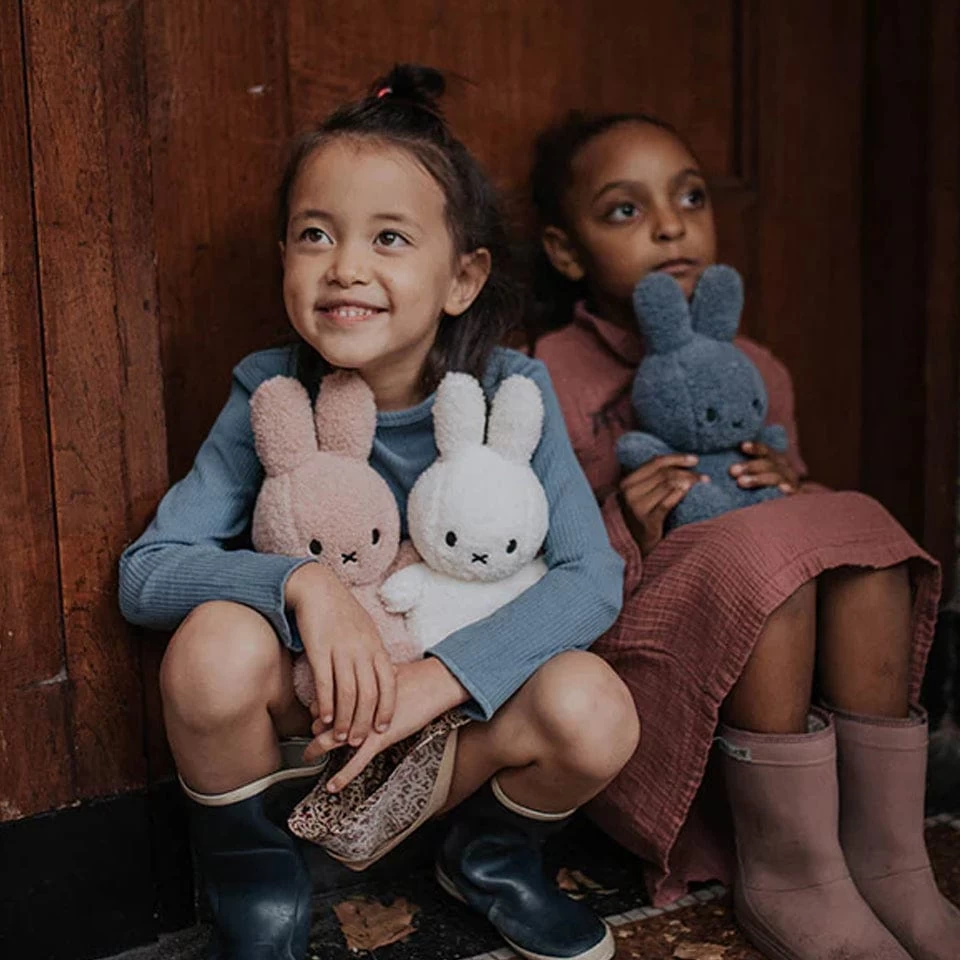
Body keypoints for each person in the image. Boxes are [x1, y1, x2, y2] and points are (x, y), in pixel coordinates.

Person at [118, 69, 638, 960]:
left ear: (463, 278)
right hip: (319, 728)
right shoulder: (270, 391)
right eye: (315, 234)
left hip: (457, 732)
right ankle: (260, 892)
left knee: (595, 710)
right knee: (212, 648)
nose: (345, 266)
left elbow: (593, 579)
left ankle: (490, 860)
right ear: (284, 255)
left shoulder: (513, 390)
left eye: (388, 237)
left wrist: (442, 677)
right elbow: (148, 569)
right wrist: (305, 584)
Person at [530, 109, 958, 960]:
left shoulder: (757, 366)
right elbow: (544, 565)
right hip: (647, 651)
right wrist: (628, 517)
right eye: (625, 209)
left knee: (863, 537)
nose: (670, 225)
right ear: (566, 251)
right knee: (769, 562)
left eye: (690, 197)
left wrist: (793, 489)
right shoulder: (550, 371)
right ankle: (789, 873)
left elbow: (808, 527)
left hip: (778, 642)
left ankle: (887, 857)